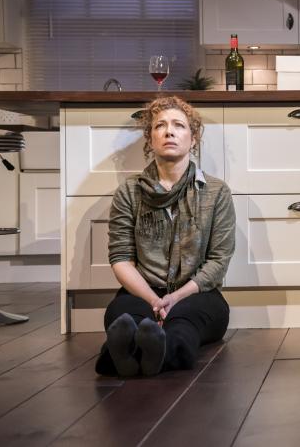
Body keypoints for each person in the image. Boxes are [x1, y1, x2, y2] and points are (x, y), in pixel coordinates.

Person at [94, 96, 235, 376]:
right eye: (160, 125)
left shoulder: (217, 192)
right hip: (142, 291)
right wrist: (152, 300)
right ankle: (127, 350)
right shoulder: (129, 192)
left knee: (183, 324)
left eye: (179, 125)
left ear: (193, 139)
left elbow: (219, 260)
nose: (169, 131)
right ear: (150, 138)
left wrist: (176, 297)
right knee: (124, 317)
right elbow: (121, 257)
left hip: (198, 294)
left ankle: (135, 357)